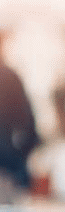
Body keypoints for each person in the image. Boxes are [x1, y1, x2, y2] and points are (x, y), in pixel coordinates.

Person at [0, 30, 40, 201]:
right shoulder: (10, 77)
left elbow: (28, 126)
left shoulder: (9, 78)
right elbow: (29, 125)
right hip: (7, 168)